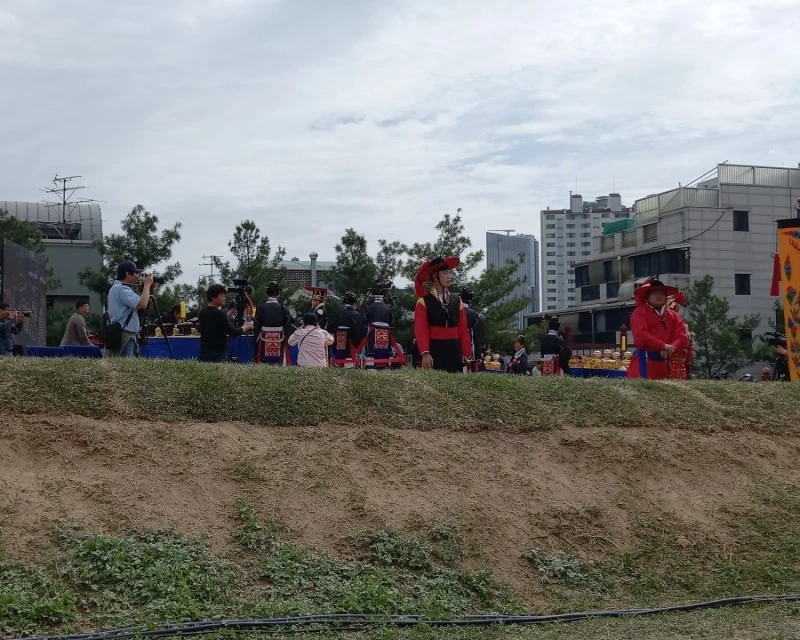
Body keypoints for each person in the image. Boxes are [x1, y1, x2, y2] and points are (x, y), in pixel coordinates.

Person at [413, 256, 472, 373]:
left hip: (454, 349)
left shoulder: (457, 300)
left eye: (450, 273)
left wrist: (466, 352)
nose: (449, 276)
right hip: (434, 349)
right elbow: (421, 329)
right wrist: (425, 353)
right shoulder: (423, 302)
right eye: (445, 273)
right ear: (435, 276)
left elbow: (462, 328)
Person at [626, 278, 689, 380]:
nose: (659, 296)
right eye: (655, 293)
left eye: (662, 293)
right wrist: (663, 346)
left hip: (666, 364)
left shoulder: (673, 316)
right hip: (645, 362)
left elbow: (682, 337)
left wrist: (672, 347)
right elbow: (641, 336)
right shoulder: (639, 313)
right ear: (648, 296)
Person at [106, 261, 153, 357]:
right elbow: (142, 304)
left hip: (121, 333)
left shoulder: (116, 288)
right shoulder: (122, 289)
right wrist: (147, 285)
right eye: (136, 273)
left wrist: (147, 288)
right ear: (128, 274)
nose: (138, 276)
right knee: (126, 364)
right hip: (125, 335)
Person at [197, 284, 253, 362]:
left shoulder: (202, 312)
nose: (224, 298)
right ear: (213, 297)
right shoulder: (219, 313)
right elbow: (233, 332)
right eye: (222, 296)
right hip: (218, 354)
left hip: (204, 352)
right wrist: (245, 326)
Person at [254, 281, 295, 365]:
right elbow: (288, 324)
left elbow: (256, 325)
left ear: (267, 294)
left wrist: (256, 338)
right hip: (280, 339)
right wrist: (287, 337)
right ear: (278, 294)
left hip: (264, 338)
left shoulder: (261, 308)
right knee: (279, 363)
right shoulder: (283, 308)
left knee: (264, 362)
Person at [460, 289, 484, 362]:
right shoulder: (474, 313)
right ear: (470, 302)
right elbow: (479, 331)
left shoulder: (455, 311)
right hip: (470, 342)